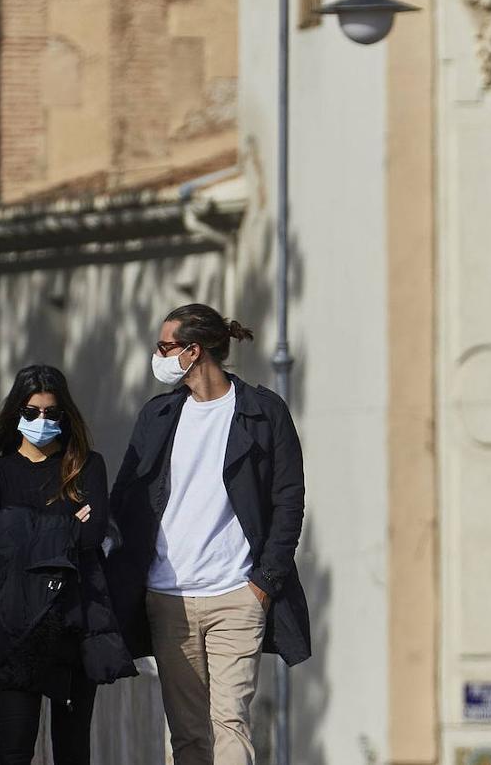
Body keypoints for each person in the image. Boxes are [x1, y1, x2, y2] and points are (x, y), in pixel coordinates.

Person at [106, 303, 311, 765]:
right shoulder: (157, 416)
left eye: (164, 347)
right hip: (168, 598)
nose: (157, 356)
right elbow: (126, 497)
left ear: (193, 351)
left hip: (238, 595)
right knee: (188, 735)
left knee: (230, 724)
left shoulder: (263, 412)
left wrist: (264, 583)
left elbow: (288, 500)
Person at [0, 364, 136, 765]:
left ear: (64, 415)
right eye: (31, 412)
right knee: (14, 748)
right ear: (16, 415)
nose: (42, 420)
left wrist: (22, 529)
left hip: (72, 625)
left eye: (51, 412)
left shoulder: (86, 466)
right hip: (10, 626)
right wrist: (65, 528)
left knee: (73, 751)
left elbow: (92, 537)